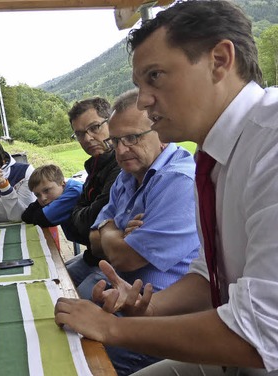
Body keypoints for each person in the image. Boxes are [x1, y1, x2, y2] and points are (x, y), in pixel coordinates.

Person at [55, 2, 276, 374]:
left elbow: (261, 333)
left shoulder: (269, 147)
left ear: (220, 60)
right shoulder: (217, 155)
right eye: (139, 84)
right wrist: (147, 305)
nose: (143, 100)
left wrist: (112, 327)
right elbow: (212, 276)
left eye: (155, 76)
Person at [85, 89, 201, 375]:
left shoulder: (179, 181)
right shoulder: (127, 176)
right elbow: (93, 240)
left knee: (82, 358)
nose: (121, 150)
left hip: (166, 321)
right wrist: (118, 233)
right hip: (125, 303)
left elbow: (126, 259)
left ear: (161, 133)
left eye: (133, 137)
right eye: (115, 140)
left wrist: (111, 230)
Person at [62, 98, 121, 290]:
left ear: (111, 122)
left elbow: (92, 218)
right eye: (79, 134)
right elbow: (82, 216)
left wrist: (81, 213)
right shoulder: (95, 165)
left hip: (112, 264)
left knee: (67, 294)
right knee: (57, 278)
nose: (87, 138)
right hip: (93, 256)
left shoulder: (120, 165)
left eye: (94, 127)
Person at [21, 164, 83, 231]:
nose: (43, 198)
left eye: (46, 190)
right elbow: (26, 216)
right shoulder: (61, 190)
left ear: (63, 183)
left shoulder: (75, 193)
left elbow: (42, 219)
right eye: (37, 195)